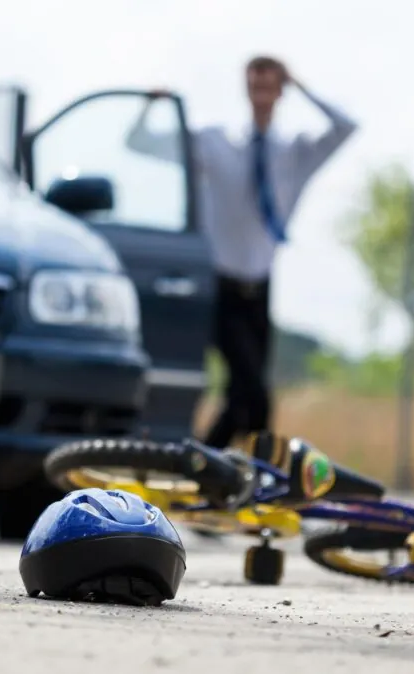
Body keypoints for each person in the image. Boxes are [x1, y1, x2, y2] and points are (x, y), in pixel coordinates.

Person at [126, 55, 358, 450]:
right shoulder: (216, 142)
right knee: (254, 393)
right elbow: (139, 143)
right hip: (221, 286)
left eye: (270, 86)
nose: (262, 95)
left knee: (243, 399)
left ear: (281, 91)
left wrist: (300, 83)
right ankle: (249, 467)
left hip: (262, 286)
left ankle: (203, 465)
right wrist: (150, 106)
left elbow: (346, 125)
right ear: (245, 88)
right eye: (255, 86)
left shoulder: (295, 152)